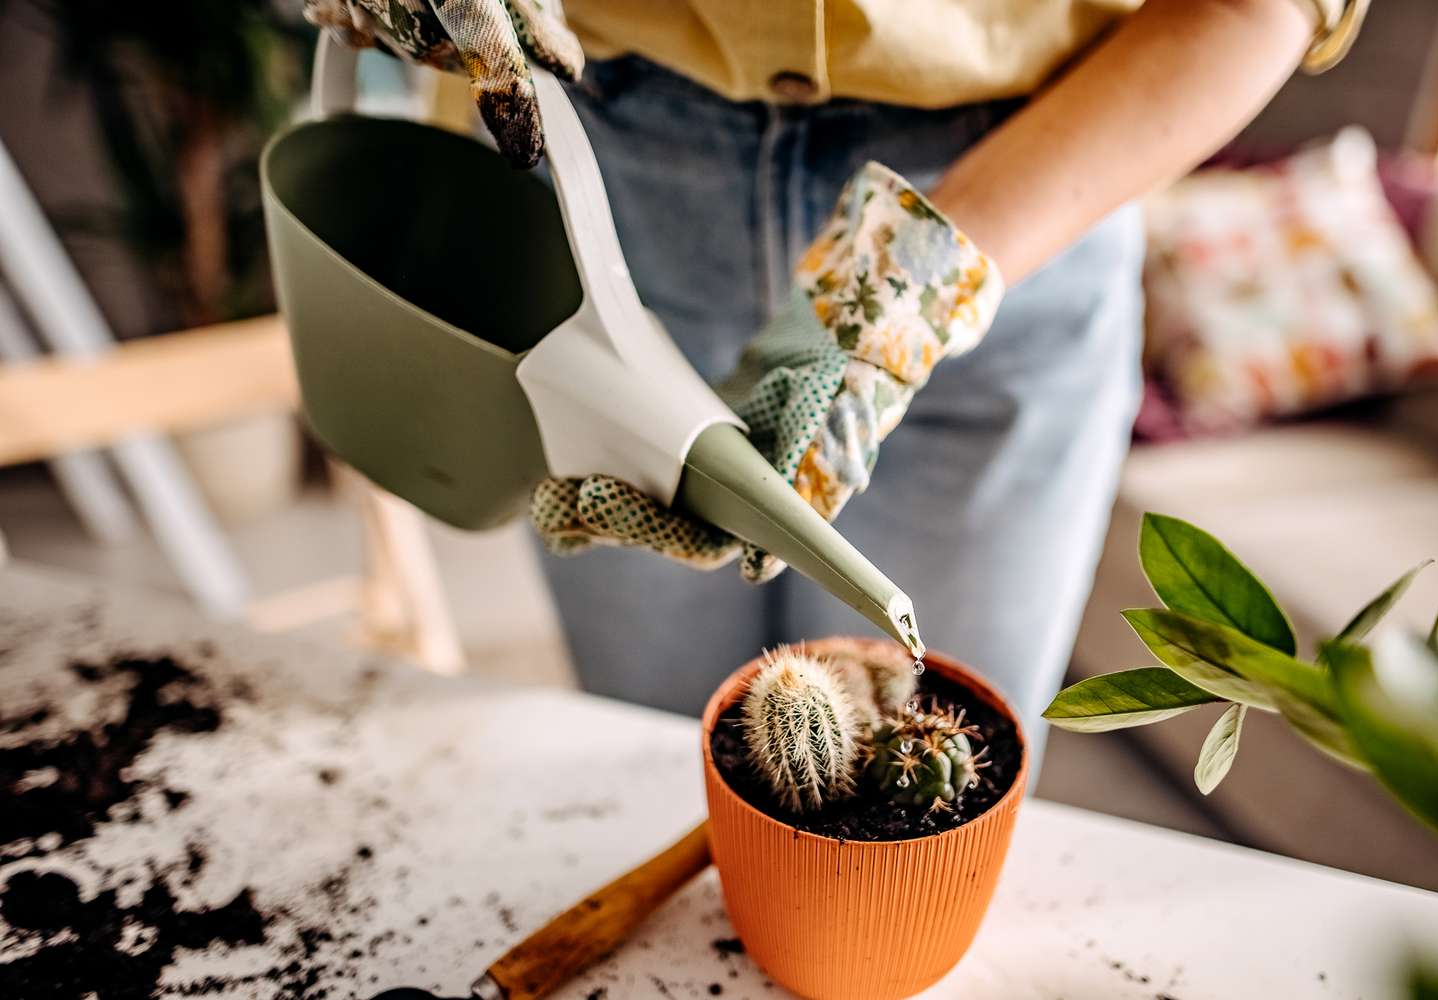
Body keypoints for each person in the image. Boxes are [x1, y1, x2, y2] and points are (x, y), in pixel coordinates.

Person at [307, 0, 1365, 759]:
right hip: (600, 184)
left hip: (1022, 191)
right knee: (647, 756)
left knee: (927, 789)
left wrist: (917, 281)